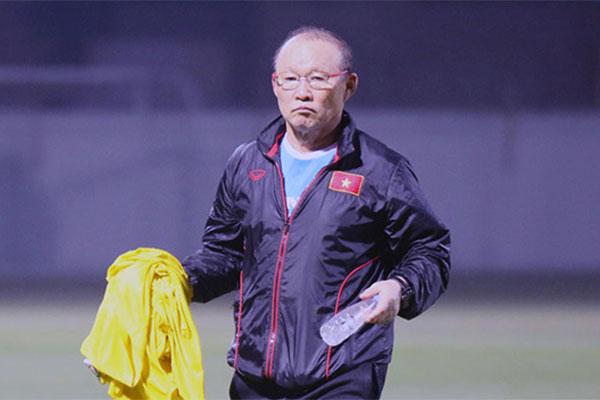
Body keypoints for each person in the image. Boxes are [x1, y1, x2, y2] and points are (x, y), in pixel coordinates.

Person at [183, 26, 451, 399]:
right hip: (256, 372)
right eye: (291, 79)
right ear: (275, 85)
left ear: (349, 85)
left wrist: (400, 287)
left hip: (342, 372)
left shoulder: (379, 170)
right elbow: (225, 254)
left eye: (318, 79)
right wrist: (178, 279)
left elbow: (430, 250)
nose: (303, 92)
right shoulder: (247, 164)